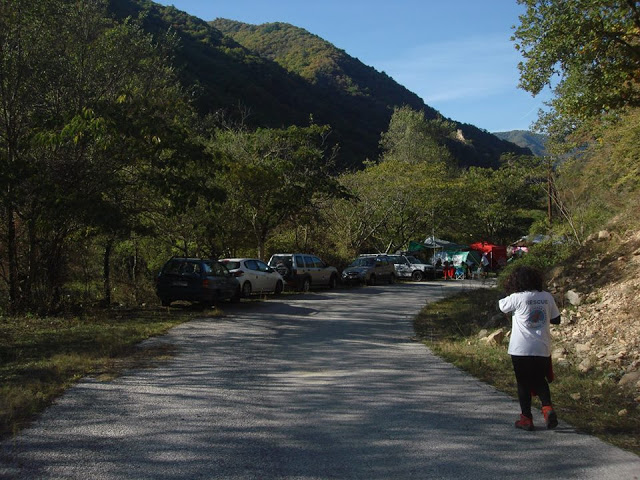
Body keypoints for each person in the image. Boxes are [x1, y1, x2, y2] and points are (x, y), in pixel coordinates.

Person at [499, 265, 561, 431]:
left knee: (523, 383)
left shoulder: (516, 297)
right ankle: (547, 409)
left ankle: (526, 418)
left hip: (521, 348)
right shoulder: (547, 297)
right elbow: (557, 319)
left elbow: (502, 306)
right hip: (542, 347)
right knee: (540, 379)